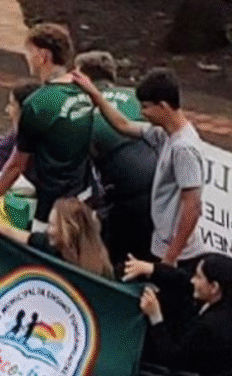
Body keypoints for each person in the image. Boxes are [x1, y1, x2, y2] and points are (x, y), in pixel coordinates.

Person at [71, 67, 205, 271]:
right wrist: (95, 94)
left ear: (163, 106)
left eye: (145, 107)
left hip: (178, 253)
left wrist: (170, 258)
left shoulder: (183, 148)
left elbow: (192, 207)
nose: (142, 114)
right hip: (159, 242)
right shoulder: (164, 134)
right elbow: (123, 125)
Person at [0, 24, 94, 230]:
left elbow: (15, 165)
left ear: (44, 55)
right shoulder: (82, 90)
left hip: (51, 208)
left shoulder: (38, 104)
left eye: (30, 52)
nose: (27, 58)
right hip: (83, 197)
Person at [73, 51, 159, 267]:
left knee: (115, 261)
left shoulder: (81, 109)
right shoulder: (137, 97)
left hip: (129, 200)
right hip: (165, 191)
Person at [126, 253, 232, 376]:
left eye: (198, 277)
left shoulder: (210, 326)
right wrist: (152, 269)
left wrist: (155, 316)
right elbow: (184, 280)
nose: (192, 280)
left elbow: (172, 358)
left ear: (214, 287)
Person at [0, 197, 113, 280]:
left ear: (68, 230)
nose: (48, 230)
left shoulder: (98, 269)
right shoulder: (47, 245)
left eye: (52, 225)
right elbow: (9, 232)